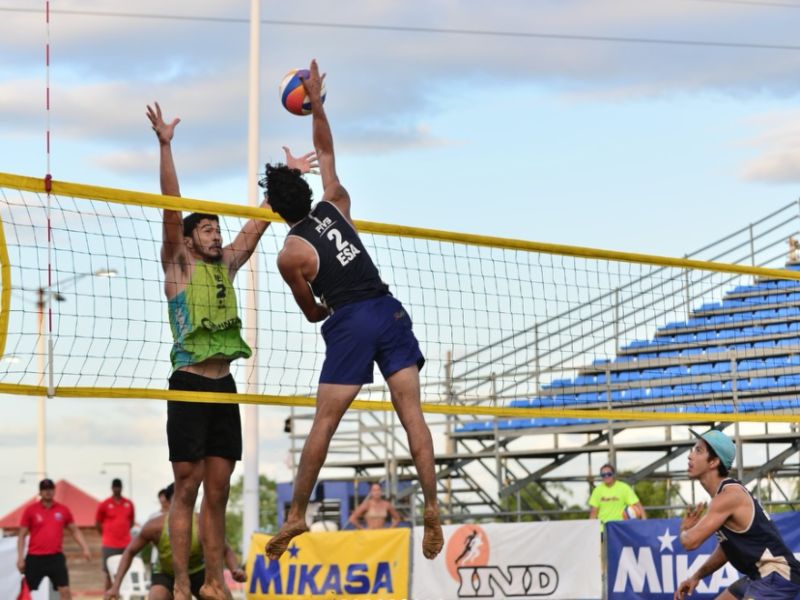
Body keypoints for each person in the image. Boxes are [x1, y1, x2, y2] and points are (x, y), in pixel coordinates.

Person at [261, 59, 443, 561]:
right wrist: (316, 100)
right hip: (388, 309)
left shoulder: (290, 254)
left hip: (351, 321)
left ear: (276, 210)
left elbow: (312, 313)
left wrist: (322, 305)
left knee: (324, 422)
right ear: (310, 190)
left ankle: (297, 514)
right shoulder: (336, 200)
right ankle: (432, 505)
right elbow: (324, 148)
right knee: (413, 416)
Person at [146, 101, 316, 600]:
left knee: (218, 492)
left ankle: (214, 583)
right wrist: (165, 145)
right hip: (190, 383)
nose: (217, 234)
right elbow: (170, 204)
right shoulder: (179, 264)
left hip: (224, 388)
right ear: (191, 240)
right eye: (208, 229)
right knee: (187, 486)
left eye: (219, 228)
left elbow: (260, 221)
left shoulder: (227, 264)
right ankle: (181, 581)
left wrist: (287, 174)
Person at [675, 429, 800, 600]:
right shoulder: (724, 496)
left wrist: (685, 528)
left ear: (714, 462)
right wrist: (696, 576)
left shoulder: (728, 497)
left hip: (777, 575)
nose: (690, 456)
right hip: (758, 577)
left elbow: (690, 542)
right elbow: (726, 550)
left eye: (698, 450)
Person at [104, 483, 246, 600]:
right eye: (179, 500)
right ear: (168, 501)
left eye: (187, 500)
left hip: (197, 571)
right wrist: (115, 586)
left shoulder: (201, 524)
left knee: (221, 596)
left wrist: (235, 569)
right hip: (166, 573)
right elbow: (130, 552)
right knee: (157, 597)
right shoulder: (155, 526)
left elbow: (225, 549)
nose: (183, 505)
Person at [16, 479, 91, 600]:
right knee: (25, 589)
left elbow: (75, 530)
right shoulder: (31, 510)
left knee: (65, 590)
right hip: (35, 557)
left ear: (54, 491)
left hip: (55, 557)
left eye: (50, 489)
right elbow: (21, 535)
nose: (48, 492)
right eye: (45, 489)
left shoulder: (63, 510)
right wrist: (20, 558)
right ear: (40, 492)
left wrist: (85, 548)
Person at [96, 478, 135, 590]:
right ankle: (107, 596)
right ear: (112, 488)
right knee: (109, 574)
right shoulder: (104, 504)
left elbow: (131, 522)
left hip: (126, 545)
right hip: (110, 545)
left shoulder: (129, 504)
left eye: (118, 487)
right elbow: (98, 523)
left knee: (126, 573)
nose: (116, 489)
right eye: (115, 487)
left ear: (121, 488)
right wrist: (107, 535)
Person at [588, 463, 647, 529]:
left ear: (613, 474)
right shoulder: (597, 490)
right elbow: (593, 514)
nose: (606, 476)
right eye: (603, 475)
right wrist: (591, 530)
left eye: (609, 474)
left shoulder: (624, 487)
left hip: (620, 529)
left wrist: (644, 523)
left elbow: (638, 505)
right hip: (603, 529)